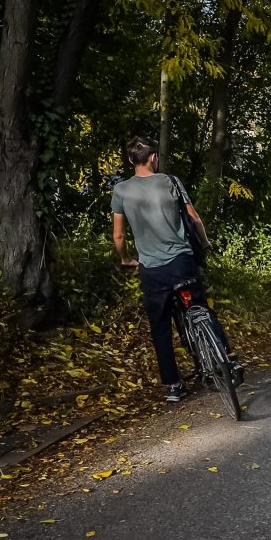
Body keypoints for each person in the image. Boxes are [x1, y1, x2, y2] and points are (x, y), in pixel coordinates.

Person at [111, 136, 230, 404]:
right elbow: (195, 218)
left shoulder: (121, 191)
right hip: (182, 261)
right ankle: (227, 360)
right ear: (153, 157)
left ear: (131, 160)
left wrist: (127, 259)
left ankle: (173, 386)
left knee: (161, 327)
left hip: (153, 270)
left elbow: (118, 237)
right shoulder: (171, 182)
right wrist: (205, 243)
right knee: (200, 307)